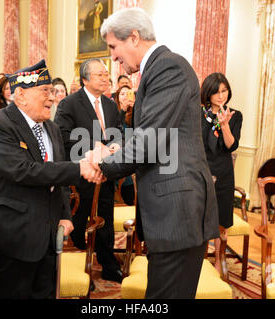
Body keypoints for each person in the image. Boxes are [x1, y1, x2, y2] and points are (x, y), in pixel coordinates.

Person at [84, 8, 219, 299]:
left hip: (177, 212)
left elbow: (150, 140)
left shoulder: (167, 67)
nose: (113, 57)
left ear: (133, 37)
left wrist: (103, 164)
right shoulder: (158, 69)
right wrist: (117, 149)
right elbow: (159, 135)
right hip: (170, 212)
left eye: (113, 47)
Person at [0, 59, 95, 299]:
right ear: (20, 95)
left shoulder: (51, 128)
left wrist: (65, 214)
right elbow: (24, 170)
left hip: (50, 234)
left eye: (52, 91)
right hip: (17, 235)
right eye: (45, 91)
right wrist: (79, 168)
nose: (52, 98)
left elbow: (58, 178)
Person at [54, 58, 124, 283]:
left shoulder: (111, 105)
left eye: (106, 74)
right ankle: (77, 267)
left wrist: (114, 145)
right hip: (81, 174)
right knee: (80, 218)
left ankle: (107, 263)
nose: (105, 78)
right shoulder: (69, 103)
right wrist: (93, 147)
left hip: (106, 172)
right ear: (85, 79)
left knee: (105, 216)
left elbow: (118, 132)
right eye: (100, 75)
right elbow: (63, 137)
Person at [200, 72, 243, 273]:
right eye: (216, 92)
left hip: (223, 172)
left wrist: (224, 125)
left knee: (220, 220)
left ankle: (219, 259)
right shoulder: (198, 114)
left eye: (224, 91)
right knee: (198, 217)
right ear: (208, 94)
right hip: (201, 170)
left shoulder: (235, 115)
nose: (221, 95)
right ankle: (197, 260)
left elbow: (230, 146)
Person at [114, 84, 135, 205]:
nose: (125, 97)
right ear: (117, 98)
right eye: (122, 94)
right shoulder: (115, 112)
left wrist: (135, 109)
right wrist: (122, 111)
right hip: (118, 158)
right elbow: (115, 129)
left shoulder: (135, 112)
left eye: (128, 94)